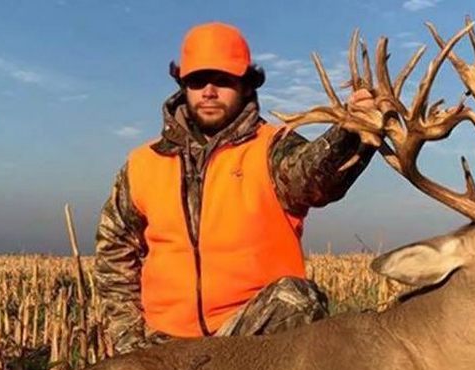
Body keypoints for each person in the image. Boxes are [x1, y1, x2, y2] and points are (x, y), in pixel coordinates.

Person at [94, 21, 377, 353]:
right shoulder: (145, 162)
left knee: (297, 299)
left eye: (223, 80)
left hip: (249, 340)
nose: (209, 91)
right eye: (198, 81)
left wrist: (352, 131)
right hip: (164, 348)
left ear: (246, 85)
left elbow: (313, 179)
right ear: (182, 85)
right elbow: (114, 252)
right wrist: (130, 341)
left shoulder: (272, 148)